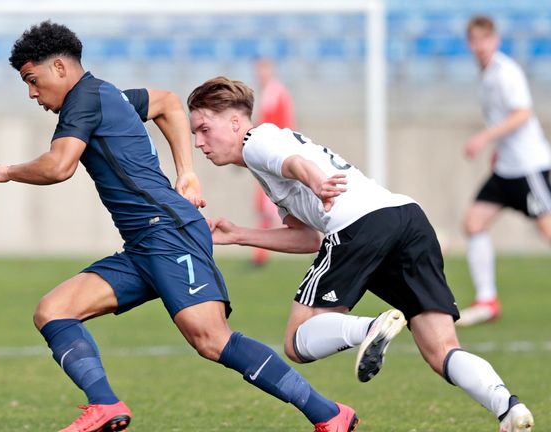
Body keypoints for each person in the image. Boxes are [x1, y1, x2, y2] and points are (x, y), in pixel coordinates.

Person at [0, 21, 358, 432]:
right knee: (53, 311)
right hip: (143, 244)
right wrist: (187, 172)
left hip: (169, 233)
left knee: (211, 339)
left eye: (33, 81)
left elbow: (59, 165)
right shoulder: (110, 94)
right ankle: (105, 405)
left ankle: (330, 414)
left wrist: (5, 170)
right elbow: (167, 103)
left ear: (60, 69)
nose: (33, 93)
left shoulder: (83, 100)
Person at [186, 76, 535, 432]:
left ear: (234, 121)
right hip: (407, 218)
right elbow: (307, 238)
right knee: (440, 349)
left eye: (203, 128)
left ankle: (372, 326)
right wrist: (240, 235)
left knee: (296, 340)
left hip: (359, 225)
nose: (198, 142)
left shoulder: (256, 140)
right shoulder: (264, 157)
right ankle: (508, 407)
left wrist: (316, 180)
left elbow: (293, 163)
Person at [459, 15, 551, 327]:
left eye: (485, 40)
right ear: (469, 43)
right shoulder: (484, 75)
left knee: (547, 229)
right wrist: (498, 151)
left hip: (528, 166)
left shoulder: (505, 72)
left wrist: (485, 138)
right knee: (473, 223)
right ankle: (487, 299)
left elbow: (523, 113)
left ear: (495, 41)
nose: (480, 46)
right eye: (474, 40)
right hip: (506, 168)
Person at [251, 58, 296, 267]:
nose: (260, 74)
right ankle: (260, 255)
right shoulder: (269, 92)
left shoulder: (274, 92)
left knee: (271, 204)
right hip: (270, 155)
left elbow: (272, 124)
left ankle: (261, 255)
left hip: (274, 155)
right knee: (266, 205)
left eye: (264, 69)